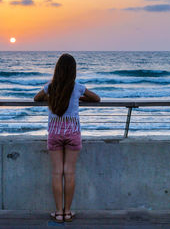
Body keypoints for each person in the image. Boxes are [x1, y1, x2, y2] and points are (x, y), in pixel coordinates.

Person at [34, 53, 100, 223]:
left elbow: (36, 98)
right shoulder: (77, 87)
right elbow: (97, 98)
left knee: (57, 173)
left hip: (55, 133)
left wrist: (51, 96)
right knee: (69, 172)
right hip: (73, 132)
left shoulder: (51, 87)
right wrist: (79, 97)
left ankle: (58, 213)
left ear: (57, 70)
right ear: (73, 71)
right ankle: (68, 212)